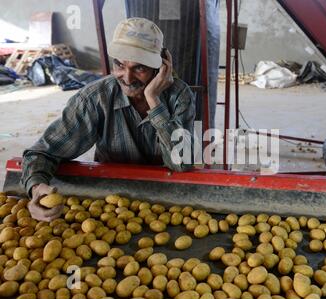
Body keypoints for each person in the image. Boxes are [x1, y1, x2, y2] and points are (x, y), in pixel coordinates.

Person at [21, 18, 195, 222]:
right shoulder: (94, 99)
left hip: (166, 200)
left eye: (139, 68)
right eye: (120, 65)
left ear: (161, 66)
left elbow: (183, 163)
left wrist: (153, 100)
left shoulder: (179, 96)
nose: (127, 78)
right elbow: (42, 153)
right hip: (110, 201)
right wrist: (36, 188)